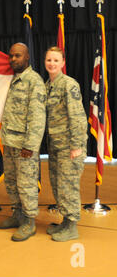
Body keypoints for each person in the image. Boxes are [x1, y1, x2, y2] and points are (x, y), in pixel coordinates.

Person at [0, 43, 46, 241]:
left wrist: (30, 145)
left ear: (27, 58)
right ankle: (17, 215)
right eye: (11, 56)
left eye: (17, 56)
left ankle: (29, 222)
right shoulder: (12, 79)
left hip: (24, 145)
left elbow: (37, 116)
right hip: (9, 141)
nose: (13, 59)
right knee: (11, 182)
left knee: (26, 184)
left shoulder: (34, 81)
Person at [44, 46, 87, 242]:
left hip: (70, 146)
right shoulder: (48, 85)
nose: (51, 64)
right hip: (56, 145)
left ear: (63, 63)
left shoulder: (69, 84)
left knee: (68, 186)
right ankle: (65, 222)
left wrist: (77, 146)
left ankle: (72, 227)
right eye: (48, 60)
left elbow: (78, 116)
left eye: (55, 60)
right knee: (58, 184)